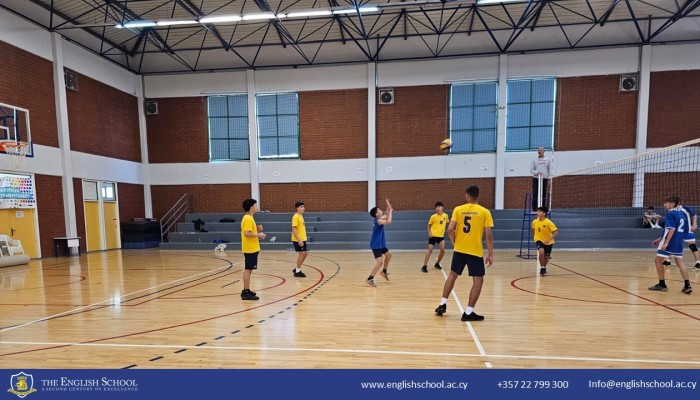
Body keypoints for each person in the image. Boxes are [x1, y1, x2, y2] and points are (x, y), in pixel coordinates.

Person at [434, 185, 494, 321]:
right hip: (475, 251)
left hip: (460, 249)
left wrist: (455, 241)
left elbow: (450, 229)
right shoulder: (485, 212)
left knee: (452, 275)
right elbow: (489, 235)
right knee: (478, 280)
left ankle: (442, 304)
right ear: (478, 196)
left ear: (467, 196)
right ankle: (468, 312)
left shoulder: (458, 209)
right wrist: (490, 254)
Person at [648, 196, 692, 294]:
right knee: (679, 262)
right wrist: (660, 239)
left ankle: (662, 284)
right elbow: (682, 230)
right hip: (678, 242)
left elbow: (671, 229)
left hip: (670, 242)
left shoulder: (670, 213)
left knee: (658, 261)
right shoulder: (682, 214)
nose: (664, 204)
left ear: (672, 204)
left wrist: (666, 242)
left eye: (666, 203)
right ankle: (687, 285)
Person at [241, 198, 266, 300]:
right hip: (250, 248)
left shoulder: (249, 218)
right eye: (255, 205)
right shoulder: (248, 218)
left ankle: (247, 290)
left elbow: (249, 230)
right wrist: (259, 234)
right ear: (251, 207)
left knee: (250, 269)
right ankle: (245, 292)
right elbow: (246, 233)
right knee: (248, 269)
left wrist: (256, 228)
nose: (257, 207)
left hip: (253, 248)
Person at [366, 198, 393, 287]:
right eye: (379, 210)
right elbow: (389, 221)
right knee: (380, 262)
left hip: (380, 244)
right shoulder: (378, 221)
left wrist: (388, 207)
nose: (380, 210)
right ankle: (370, 278)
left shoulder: (379, 218)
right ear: (376, 214)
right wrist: (391, 211)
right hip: (376, 245)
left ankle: (384, 271)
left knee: (389, 255)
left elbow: (386, 214)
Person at [421, 201, 448, 273]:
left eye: (439, 207)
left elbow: (447, 222)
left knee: (443, 250)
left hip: (441, 236)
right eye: (436, 207)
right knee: (430, 250)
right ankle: (424, 266)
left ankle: (437, 263)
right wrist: (429, 232)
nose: (438, 208)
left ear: (442, 208)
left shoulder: (445, 216)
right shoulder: (433, 217)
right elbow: (429, 225)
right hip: (433, 236)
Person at [531, 206, 558, 276]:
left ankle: (544, 266)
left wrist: (549, 239)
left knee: (546, 257)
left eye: (539, 211)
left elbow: (555, 231)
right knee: (541, 252)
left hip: (549, 242)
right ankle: (542, 267)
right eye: (538, 211)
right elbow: (533, 229)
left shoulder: (548, 222)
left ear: (544, 213)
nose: (538, 213)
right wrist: (534, 237)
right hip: (538, 239)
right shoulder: (534, 222)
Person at [530, 146, 552, 212]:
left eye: (541, 150)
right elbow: (531, 170)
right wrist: (537, 172)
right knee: (535, 193)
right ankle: (534, 209)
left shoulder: (548, 160)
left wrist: (549, 179)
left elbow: (549, 170)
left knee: (543, 193)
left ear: (544, 151)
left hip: (544, 179)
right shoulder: (534, 160)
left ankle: (543, 209)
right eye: (538, 150)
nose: (539, 151)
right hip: (536, 179)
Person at [291, 201, 308, 278]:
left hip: (303, 238)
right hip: (298, 239)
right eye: (301, 207)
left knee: (305, 254)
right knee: (302, 254)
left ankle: (297, 268)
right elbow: (294, 229)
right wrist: (299, 240)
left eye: (303, 206)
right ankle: (297, 271)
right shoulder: (295, 216)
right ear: (297, 208)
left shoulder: (301, 216)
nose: (303, 208)